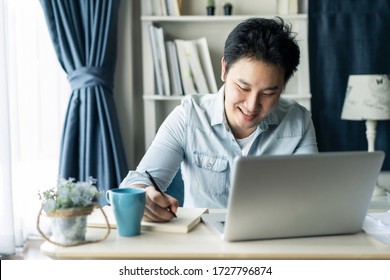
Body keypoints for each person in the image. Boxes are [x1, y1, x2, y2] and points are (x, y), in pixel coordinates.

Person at [120, 17, 318, 222]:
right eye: (243, 87)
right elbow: (138, 180)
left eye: (268, 93)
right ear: (224, 69)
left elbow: (314, 192)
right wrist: (144, 194)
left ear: (282, 87)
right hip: (204, 245)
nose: (251, 105)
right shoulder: (189, 116)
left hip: (274, 238)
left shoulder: (298, 121)